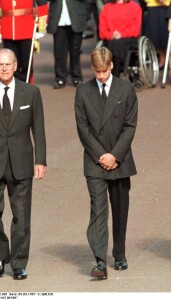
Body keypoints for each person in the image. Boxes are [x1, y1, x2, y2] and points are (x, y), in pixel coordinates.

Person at [74, 47, 138, 280]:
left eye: (104, 70)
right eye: (97, 71)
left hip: (120, 160)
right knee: (98, 210)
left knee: (120, 210)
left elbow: (130, 126)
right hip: (95, 160)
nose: (100, 75)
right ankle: (100, 261)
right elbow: (83, 129)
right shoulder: (82, 92)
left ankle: (119, 253)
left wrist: (115, 155)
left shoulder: (127, 89)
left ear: (111, 66)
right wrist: (102, 155)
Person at [0, 48, 47, 280]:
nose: (4, 68)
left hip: (21, 162)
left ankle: (18, 262)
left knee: (21, 215)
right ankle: (0, 256)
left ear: (16, 65)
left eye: (8, 64)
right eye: (0, 64)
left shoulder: (31, 92)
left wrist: (40, 160)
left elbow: (38, 128)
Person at [0, 0, 48, 83]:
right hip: (7, 30)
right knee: (10, 63)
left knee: (26, 64)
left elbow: (42, 4)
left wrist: (41, 27)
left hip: (26, 30)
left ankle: (26, 87)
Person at [47, 0, 88, 89]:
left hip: (76, 17)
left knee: (75, 51)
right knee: (59, 51)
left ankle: (76, 76)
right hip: (58, 19)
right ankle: (60, 77)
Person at [99, 0, 142, 77]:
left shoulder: (135, 7)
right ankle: (115, 72)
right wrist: (111, 35)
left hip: (129, 38)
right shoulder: (106, 8)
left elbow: (136, 30)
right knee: (113, 43)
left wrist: (121, 34)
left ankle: (115, 73)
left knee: (116, 44)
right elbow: (102, 31)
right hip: (111, 39)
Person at [142, 0, 171, 69]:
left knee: (166, 33)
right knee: (155, 35)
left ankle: (169, 59)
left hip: (168, 5)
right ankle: (162, 57)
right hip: (152, 5)